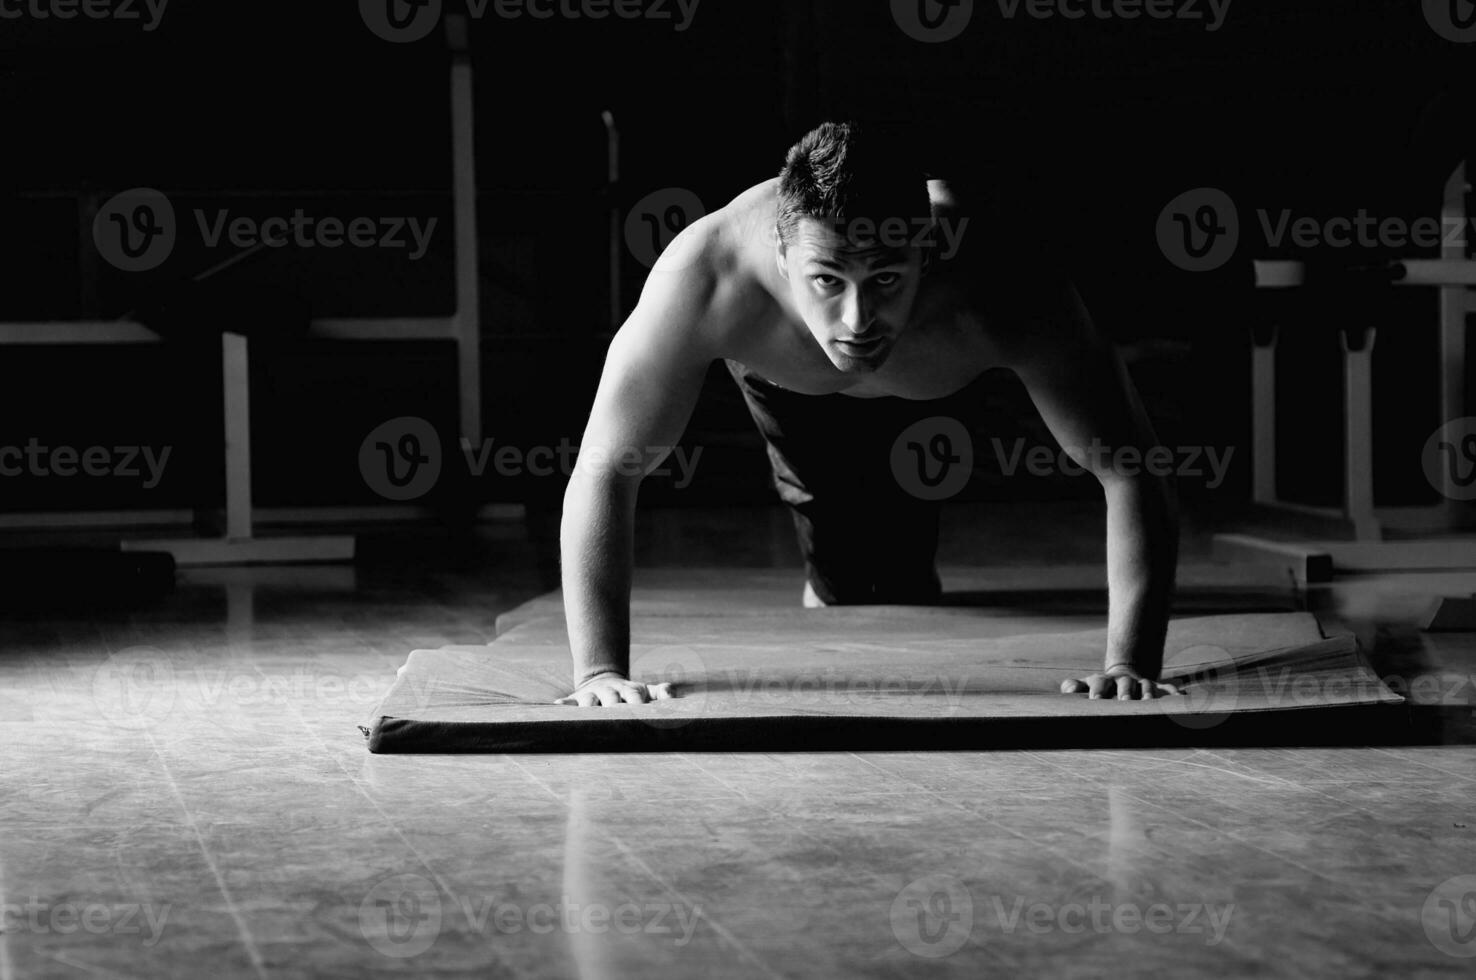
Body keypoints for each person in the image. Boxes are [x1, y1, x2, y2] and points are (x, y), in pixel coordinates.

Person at [556, 121, 1180, 707]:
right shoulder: (704, 276)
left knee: (906, 581)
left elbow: (1130, 466)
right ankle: (834, 577)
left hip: (927, 387)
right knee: (843, 584)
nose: (858, 321)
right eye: (827, 279)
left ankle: (902, 568)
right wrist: (599, 671)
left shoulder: (1009, 285)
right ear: (780, 255)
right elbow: (608, 467)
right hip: (790, 382)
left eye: (885, 277)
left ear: (927, 254)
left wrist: (1131, 663)